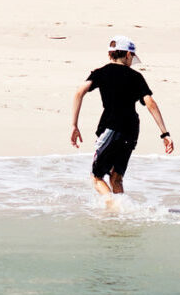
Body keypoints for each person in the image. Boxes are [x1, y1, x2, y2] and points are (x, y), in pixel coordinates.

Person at [70, 36, 172, 207]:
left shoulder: (101, 72)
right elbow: (150, 103)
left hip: (111, 127)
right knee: (116, 178)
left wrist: (74, 125)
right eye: (132, 57)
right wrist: (164, 133)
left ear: (111, 54)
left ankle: (114, 207)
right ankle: (124, 215)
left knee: (96, 177)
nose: (132, 60)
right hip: (131, 128)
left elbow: (79, 92)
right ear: (126, 54)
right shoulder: (136, 77)